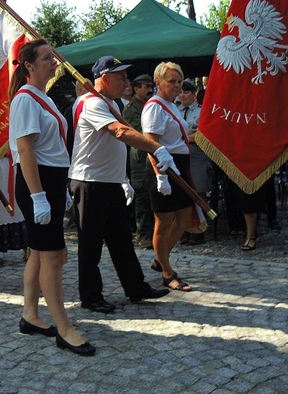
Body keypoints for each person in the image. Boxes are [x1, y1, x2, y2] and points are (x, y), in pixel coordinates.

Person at [9, 39, 94, 356]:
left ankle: (30, 314)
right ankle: (65, 328)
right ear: (29, 65)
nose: (54, 62)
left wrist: (58, 192)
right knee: (54, 257)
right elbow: (26, 150)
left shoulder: (39, 97)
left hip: (50, 181)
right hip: (38, 182)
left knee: (39, 252)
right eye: (47, 58)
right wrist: (39, 196)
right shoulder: (25, 100)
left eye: (53, 57)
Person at [70, 55, 173, 314]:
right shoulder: (92, 103)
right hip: (89, 182)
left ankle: (135, 287)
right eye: (121, 77)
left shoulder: (109, 102)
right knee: (91, 243)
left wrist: (124, 179)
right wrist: (156, 148)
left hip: (109, 181)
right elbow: (120, 132)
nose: (126, 81)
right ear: (105, 78)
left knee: (121, 239)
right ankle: (91, 296)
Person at [141, 62, 196, 290]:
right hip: (163, 166)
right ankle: (166, 271)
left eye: (178, 81)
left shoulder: (171, 105)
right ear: (158, 83)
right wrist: (160, 175)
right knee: (163, 222)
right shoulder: (154, 107)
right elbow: (151, 143)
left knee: (183, 218)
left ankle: (159, 257)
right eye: (171, 81)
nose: (176, 85)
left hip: (179, 164)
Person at [177, 78, 213, 245]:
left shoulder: (201, 111)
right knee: (182, 193)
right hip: (181, 156)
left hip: (197, 156)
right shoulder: (175, 110)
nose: (183, 95)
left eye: (186, 92)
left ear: (194, 94)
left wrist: (184, 136)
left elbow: (202, 135)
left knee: (199, 191)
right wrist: (189, 135)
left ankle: (200, 230)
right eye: (181, 92)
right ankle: (184, 229)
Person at [122, 74, 155, 249]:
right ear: (136, 89)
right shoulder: (130, 109)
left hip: (154, 156)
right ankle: (144, 235)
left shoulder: (151, 105)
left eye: (151, 86)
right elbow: (136, 133)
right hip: (140, 159)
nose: (150, 90)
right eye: (146, 86)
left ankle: (157, 233)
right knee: (142, 197)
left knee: (155, 196)